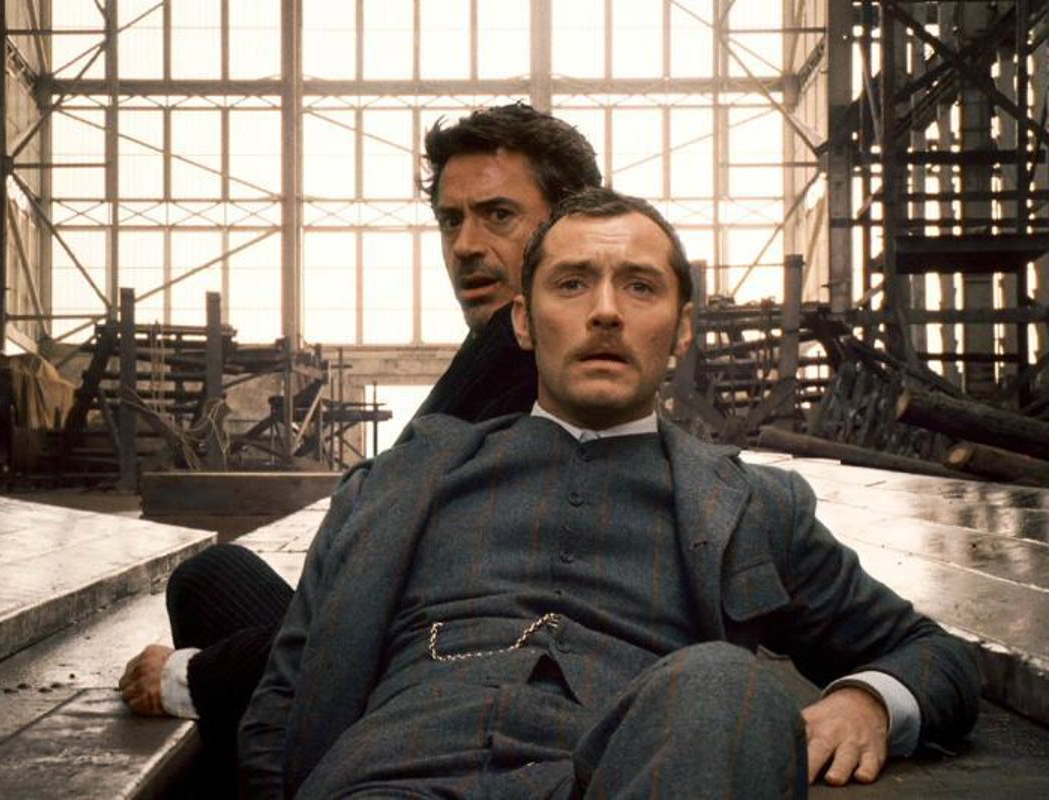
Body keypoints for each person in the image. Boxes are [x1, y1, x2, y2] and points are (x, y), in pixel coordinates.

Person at [238, 187, 980, 799]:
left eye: (639, 286)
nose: (605, 311)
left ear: (681, 330)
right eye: (571, 283)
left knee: (725, 685)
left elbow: (932, 653)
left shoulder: (752, 504)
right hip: (391, 776)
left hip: (629, 772)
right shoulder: (394, 484)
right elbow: (281, 707)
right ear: (524, 322)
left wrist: (868, 699)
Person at [118, 104, 602, 791]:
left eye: (498, 215)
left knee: (213, 611)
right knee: (211, 575)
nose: (465, 245)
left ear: (570, 227)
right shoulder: (498, 347)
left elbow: (397, 610)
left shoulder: (542, 369)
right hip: (423, 649)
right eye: (450, 220)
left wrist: (191, 676)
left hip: (449, 685)